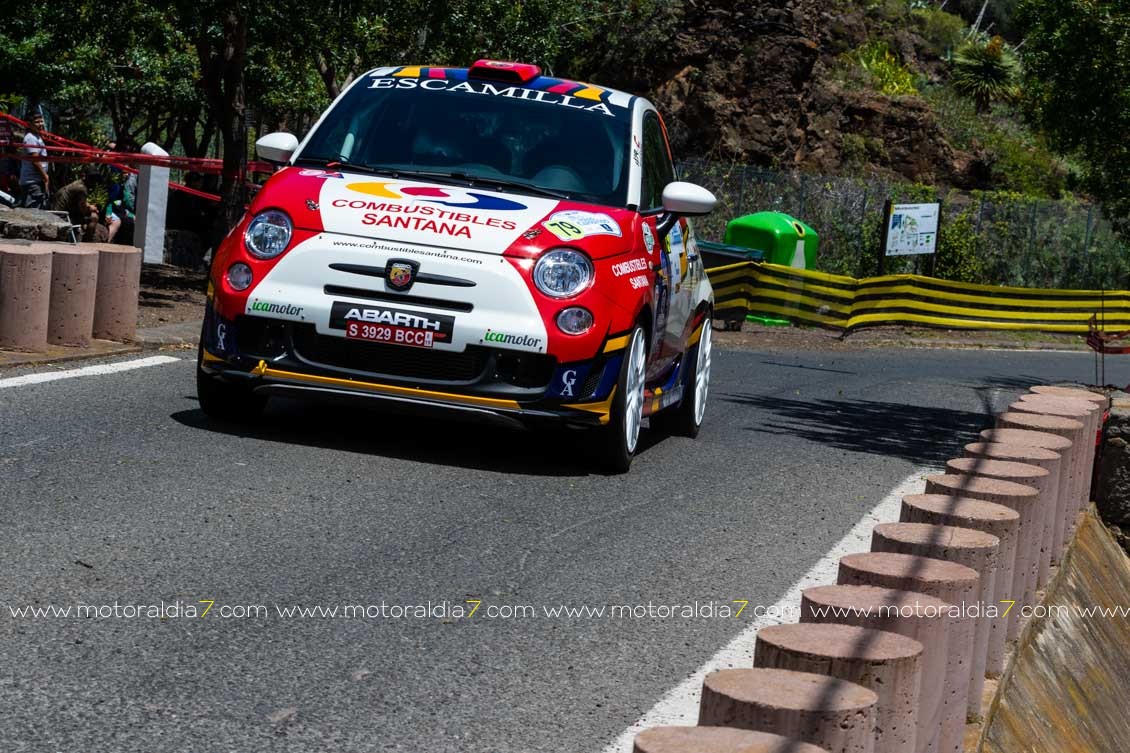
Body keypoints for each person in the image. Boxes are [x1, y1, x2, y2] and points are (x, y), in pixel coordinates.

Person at [51, 168, 108, 242]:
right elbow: (83, 211)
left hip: (56, 214)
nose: (94, 182)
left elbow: (79, 202)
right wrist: (91, 209)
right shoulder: (82, 189)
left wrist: (89, 206)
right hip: (62, 217)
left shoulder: (77, 184)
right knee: (94, 217)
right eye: (93, 179)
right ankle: (87, 241)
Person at [19, 113, 49, 209]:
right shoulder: (30, 138)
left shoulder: (37, 136)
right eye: (37, 122)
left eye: (41, 121)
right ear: (29, 124)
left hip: (37, 180)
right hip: (32, 182)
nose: (40, 124)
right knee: (34, 211)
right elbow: (35, 161)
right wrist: (45, 177)